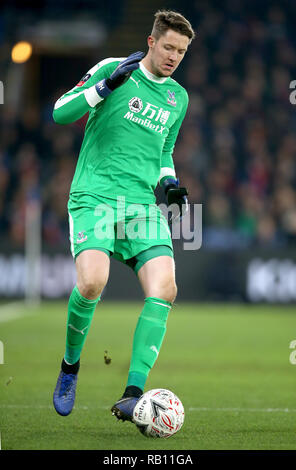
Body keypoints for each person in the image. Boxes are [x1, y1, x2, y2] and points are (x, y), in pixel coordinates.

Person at [52, 9, 195, 423]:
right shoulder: (115, 69)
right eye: (168, 46)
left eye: (181, 51)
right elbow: (60, 112)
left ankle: (134, 394)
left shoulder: (178, 98)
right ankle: (69, 368)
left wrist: (169, 182)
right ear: (151, 42)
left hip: (140, 205)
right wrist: (104, 86)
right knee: (93, 283)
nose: (173, 57)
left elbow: (163, 151)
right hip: (94, 195)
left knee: (165, 288)